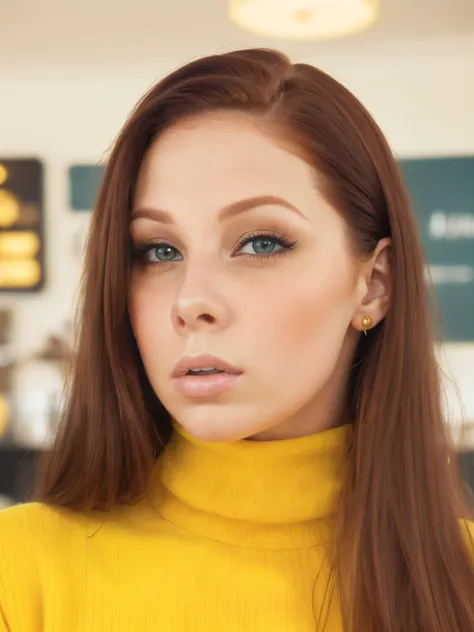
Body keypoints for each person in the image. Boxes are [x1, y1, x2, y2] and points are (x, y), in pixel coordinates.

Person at [1, 48, 473, 632]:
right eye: (159, 250)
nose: (190, 302)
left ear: (373, 285)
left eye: (261, 243)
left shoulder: (461, 579)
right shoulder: (19, 574)